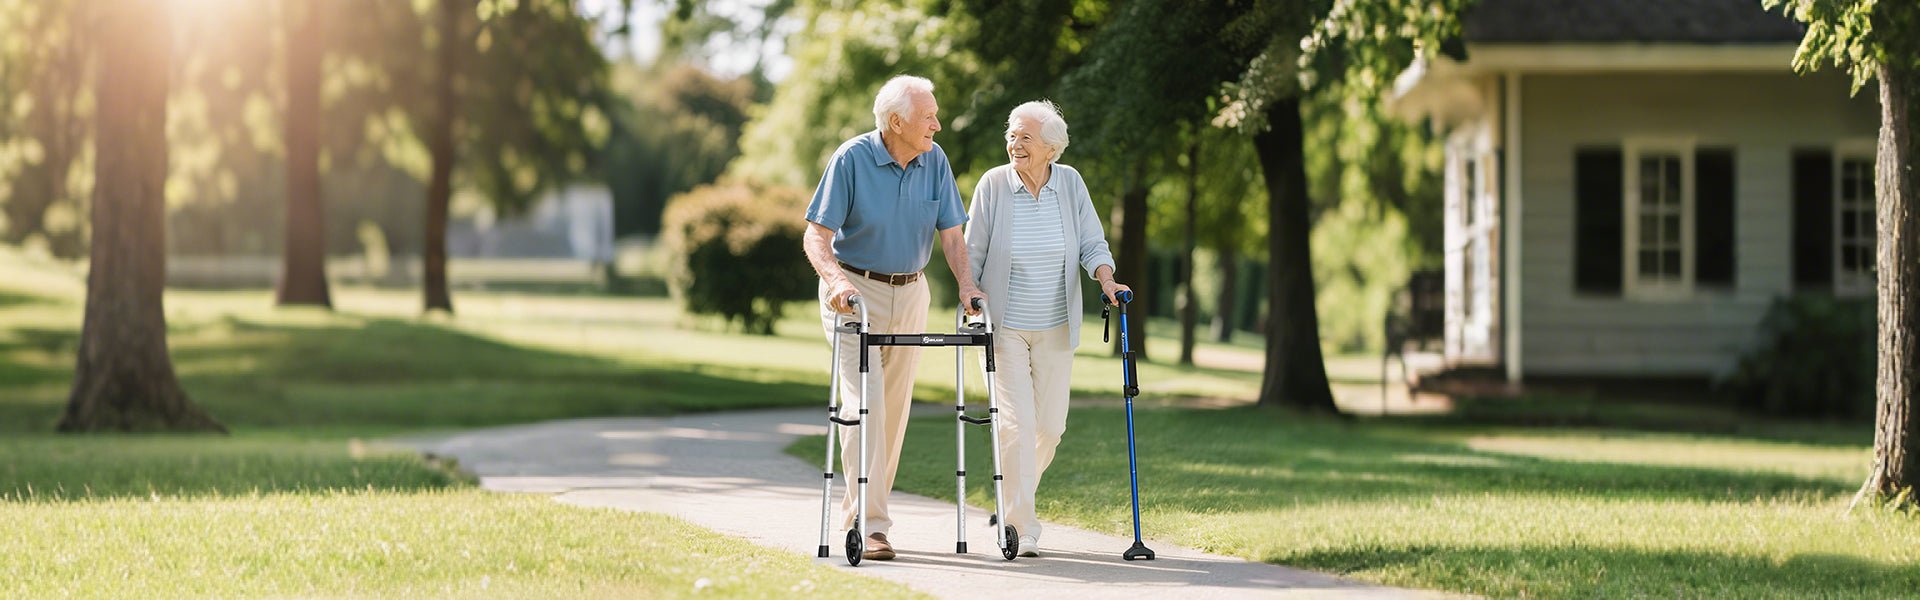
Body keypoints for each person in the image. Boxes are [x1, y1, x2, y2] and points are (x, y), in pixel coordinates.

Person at [803, 74, 987, 561]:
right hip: (854, 293)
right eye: (929, 117)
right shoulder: (852, 158)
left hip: (910, 293)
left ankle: (863, 515)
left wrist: (967, 286)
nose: (938, 125)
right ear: (896, 121)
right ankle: (871, 525)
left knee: (893, 411)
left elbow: (952, 237)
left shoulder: (935, 160)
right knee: (865, 404)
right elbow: (816, 235)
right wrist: (835, 283)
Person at [964, 100, 1128, 557]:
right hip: (1004, 326)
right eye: (1011, 135)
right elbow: (972, 250)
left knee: (1051, 427)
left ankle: (1010, 495)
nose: (1015, 144)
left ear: (1051, 148)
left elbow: (1092, 242)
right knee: (1017, 424)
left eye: (1025, 137)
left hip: (1056, 324)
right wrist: (970, 296)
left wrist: (1107, 280)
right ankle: (1021, 527)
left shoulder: (1070, 183)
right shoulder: (994, 185)